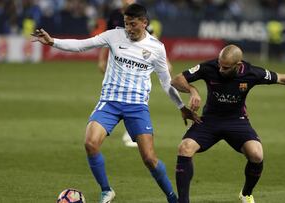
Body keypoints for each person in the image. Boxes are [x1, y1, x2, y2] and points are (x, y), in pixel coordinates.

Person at [32, 4, 198, 203]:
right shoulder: (113, 35)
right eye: (126, 23)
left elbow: (166, 81)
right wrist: (52, 42)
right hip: (109, 102)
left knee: (149, 159)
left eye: (133, 24)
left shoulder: (156, 48)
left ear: (145, 23)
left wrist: (181, 107)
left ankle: (172, 198)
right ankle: (106, 190)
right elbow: (82, 45)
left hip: (137, 107)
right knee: (90, 143)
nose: (129, 28)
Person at [171, 44, 285, 203]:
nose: (221, 70)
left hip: (237, 121)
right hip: (210, 121)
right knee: (184, 148)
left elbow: (282, 78)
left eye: (226, 68)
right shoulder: (209, 67)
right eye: (220, 65)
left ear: (238, 65)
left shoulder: (252, 73)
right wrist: (193, 90)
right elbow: (177, 79)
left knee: (256, 154)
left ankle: (246, 194)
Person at [98, 0, 171, 147]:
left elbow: (151, 36)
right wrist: (102, 59)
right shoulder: (114, 15)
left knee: (137, 91)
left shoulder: (139, 14)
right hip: (119, 56)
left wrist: (166, 60)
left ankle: (133, 129)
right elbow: (107, 37)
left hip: (139, 57)